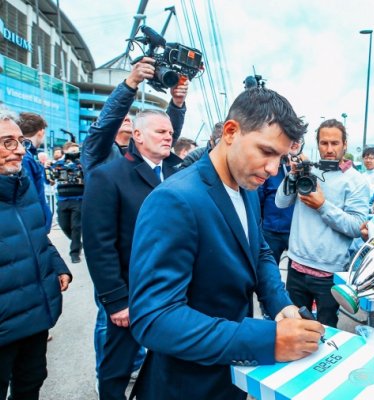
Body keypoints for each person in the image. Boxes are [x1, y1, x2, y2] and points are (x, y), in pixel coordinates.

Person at [128, 88, 323, 400]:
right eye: (267, 152)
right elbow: (154, 318)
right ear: (231, 132)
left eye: (281, 158)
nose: (274, 169)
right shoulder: (175, 199)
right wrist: (266, 339)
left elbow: (257, 251)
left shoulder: (246, 185)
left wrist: (281, 304)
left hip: (231, 375)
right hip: (187, 384)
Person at [82, 110, 182, 400]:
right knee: (117, 368)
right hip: (130, 293)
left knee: (165, 360)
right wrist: (115, 300)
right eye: (160, 131)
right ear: (137, 135)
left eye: (170, 133)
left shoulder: (176, 175)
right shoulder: (107, 177)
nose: (168, 136)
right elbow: (99, 245)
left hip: (171, 290)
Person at [0, 110, 71, 400]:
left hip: (34, 317)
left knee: (31, 382)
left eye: (20, 141)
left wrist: (57, 264)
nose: (19, 149)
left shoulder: (21, 186)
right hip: (5, 324)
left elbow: (36, 234)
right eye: (7, 142)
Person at [276, 119, 370, 328]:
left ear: (345, 144)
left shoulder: (356, 180)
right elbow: (280, 203)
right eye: (324, 143)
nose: (329, 149)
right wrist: (293, 175)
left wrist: (322, 206)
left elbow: (357, 226)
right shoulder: (307, 171)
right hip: (297, 266)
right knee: (293, 326)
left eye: (335, 143)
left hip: (329, 272)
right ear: (316, 144)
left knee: (325, 329)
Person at [81, 57, 188, 173]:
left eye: (129, 116)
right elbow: (106, 124)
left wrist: (177, 103)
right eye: (122, 117)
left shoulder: (143, 152)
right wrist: (131, 82)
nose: (127, 118)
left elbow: (164, 133)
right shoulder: (95, 151)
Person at [257, 139, 304, 265]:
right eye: (291, 140)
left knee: (296, 273)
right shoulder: (273, 167)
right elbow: (259, 198)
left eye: (298, 141)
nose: (294, 143)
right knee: (268, 267)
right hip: (271, 230)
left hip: (295, 232)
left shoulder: (305, 168)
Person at [17, 112, 53, 232]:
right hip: (33, 227)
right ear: (41, 131)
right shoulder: (25, 157)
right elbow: (28, 196)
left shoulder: (26, 155)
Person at [52, 141, 84, 263]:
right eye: (72, 151)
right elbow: (50, 178)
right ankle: (77, 243)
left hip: (79, 199)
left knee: (76, 226)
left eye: (76, 151)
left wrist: (78, 162)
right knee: (64, 225)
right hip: (62, 199)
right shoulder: (59, 164)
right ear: (65, 151)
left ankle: (74, 253)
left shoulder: (83, 163)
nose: (74, 153)